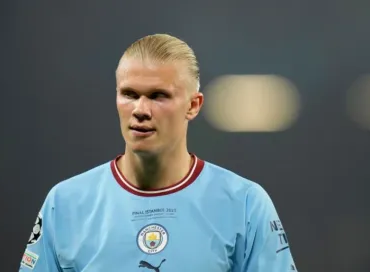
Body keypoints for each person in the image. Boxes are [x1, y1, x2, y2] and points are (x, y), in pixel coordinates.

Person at [19, 33, 299, 271]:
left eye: (158, 96)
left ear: (193, 105)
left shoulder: (245, 205)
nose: (140, 110)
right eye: (129, 94)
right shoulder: (65, 204)